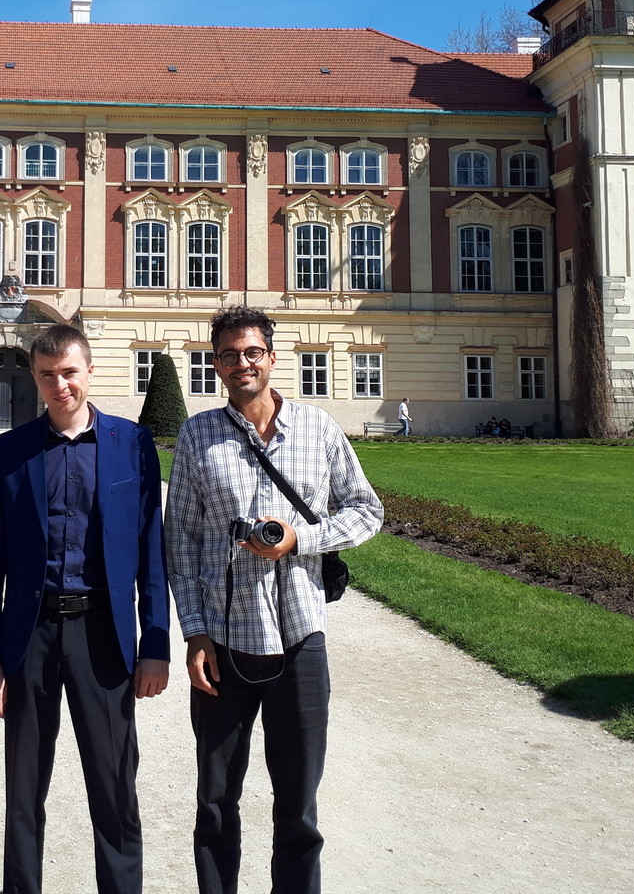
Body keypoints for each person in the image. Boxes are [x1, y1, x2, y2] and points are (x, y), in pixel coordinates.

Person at [165, 307, 384, 894]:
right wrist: (195, 632)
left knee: (298, 805)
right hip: (224, 643)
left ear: (271, 357)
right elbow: (180, 539)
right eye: (229, 355)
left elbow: (367, 510)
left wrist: (300, 540)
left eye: (252, 352)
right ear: (216, 364)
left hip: (300, 639)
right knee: (215, 802)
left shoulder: (317, 428)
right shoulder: (197, 435)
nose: (242, 363)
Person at [0, 323, 169, 894]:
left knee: (114, 783)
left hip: (103, 631)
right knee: (24, 788)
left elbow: (150, 550)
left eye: (69, 373)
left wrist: (155, 644)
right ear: (36, 379)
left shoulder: (132, 443)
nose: (60, 386)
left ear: (89, 371)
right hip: (28, 633)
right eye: (47, 376)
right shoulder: (11, 449)